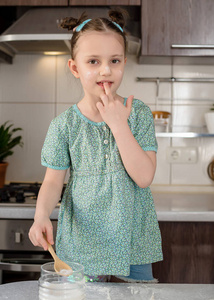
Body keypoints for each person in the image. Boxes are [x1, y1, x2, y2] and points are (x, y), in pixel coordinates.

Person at [28, 8, 163, 283]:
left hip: (133, 243)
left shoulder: (138, 114)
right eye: (93, 61)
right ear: (75, 68)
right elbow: (53, 182)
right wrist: (41, 215)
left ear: (124, 62)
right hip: (82, 246)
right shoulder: (63, 125)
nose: (105, 70)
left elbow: (144, 176)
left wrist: (118, 125)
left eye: (114, 60)